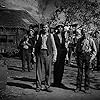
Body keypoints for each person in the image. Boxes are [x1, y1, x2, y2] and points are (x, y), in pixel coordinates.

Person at [35, 24, 57, 92]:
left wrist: (54, 56)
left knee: (48, 71)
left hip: (48, 54)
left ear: (48, 28)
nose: (45, 28)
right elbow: (35, 47)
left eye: (46, 27)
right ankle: (38, 86)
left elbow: (54, 47)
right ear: (42, 28)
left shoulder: (51, 36)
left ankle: (47, 86)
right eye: (44, 27)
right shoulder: (38, 36)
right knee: (38, 71)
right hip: (39, 54)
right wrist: (34, 56)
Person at [75, 28, 97, 93]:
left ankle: (86, 88)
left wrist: (91, 58)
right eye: (83, 32)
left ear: (88, 33)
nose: (84, 33)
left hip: (87, 56)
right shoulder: (79, 40)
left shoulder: (91, 40)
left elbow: (94, 51)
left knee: (87, 73)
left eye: (86, 32)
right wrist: (77, 57)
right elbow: (76, 49)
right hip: (80, 56)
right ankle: (78, 87)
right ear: (82, 33)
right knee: (79, 72)